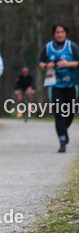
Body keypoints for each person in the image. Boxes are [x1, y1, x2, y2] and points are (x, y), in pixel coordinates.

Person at [38, 24, 79, 152]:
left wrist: (68, 64)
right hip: (55, 85)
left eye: (62, 32)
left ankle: (63, 130)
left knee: (69, 113)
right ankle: (62, 141)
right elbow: (40, 63)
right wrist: (47, 66)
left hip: (70, 84)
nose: (60, 34)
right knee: (59, 112)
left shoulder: (71, 46)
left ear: (65, 33)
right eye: (57, 32)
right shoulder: (48, 47)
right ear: (54, 34)